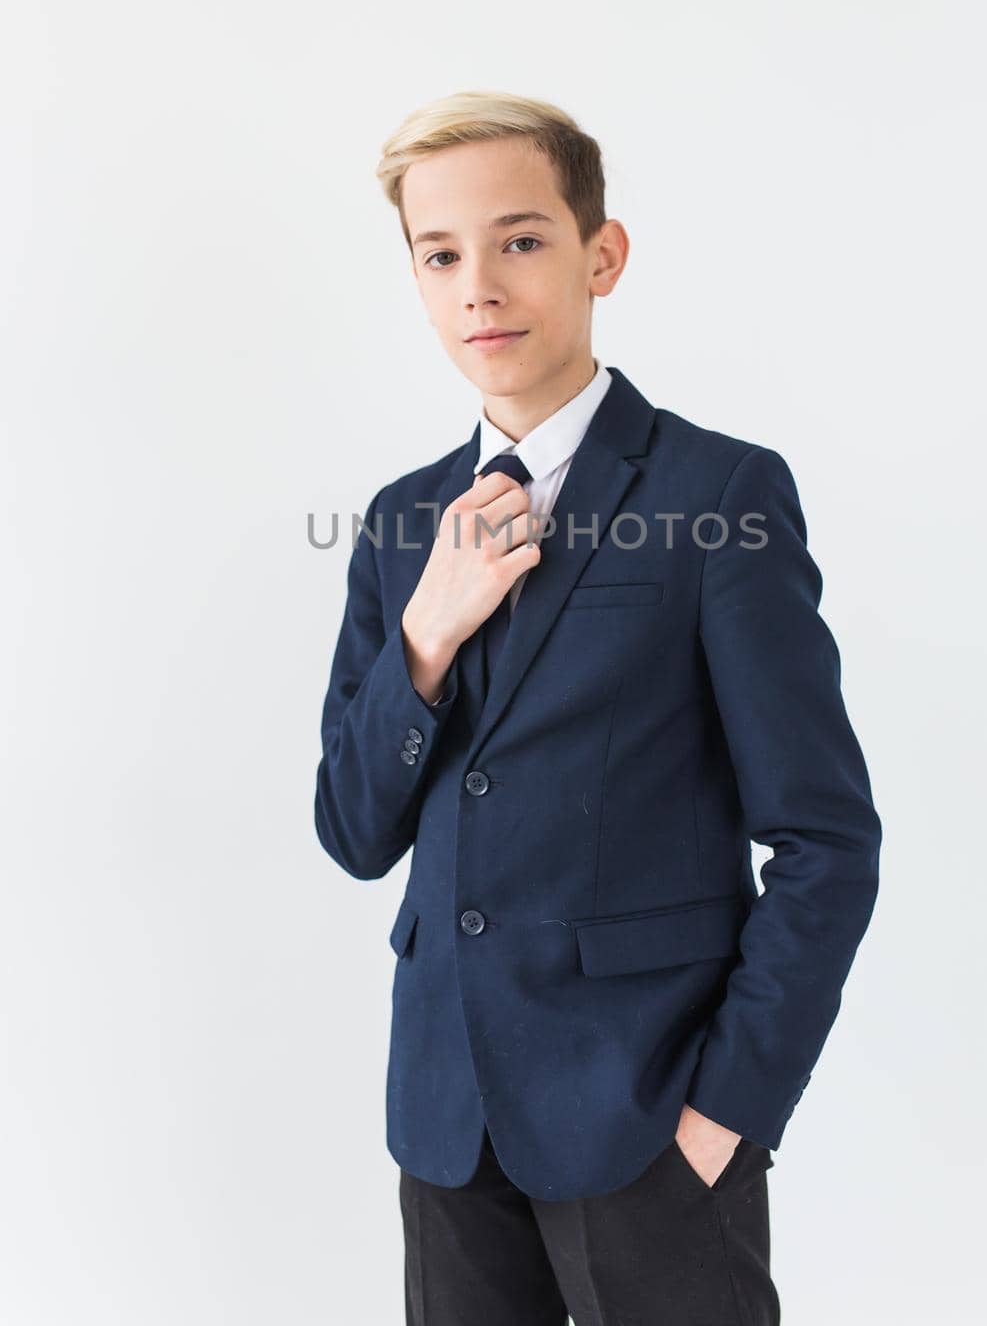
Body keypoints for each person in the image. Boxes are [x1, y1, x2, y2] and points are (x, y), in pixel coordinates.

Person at [314, 90, 882, 1325]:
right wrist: (425, 633)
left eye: (519, 240)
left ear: (599, 254)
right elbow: (354, 832)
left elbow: (827, 841)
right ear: (414, 280)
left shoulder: (717, 493)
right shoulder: (405, 520)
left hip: (648, 1120)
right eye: (441, 255)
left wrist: (724, 1112)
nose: (480, 287)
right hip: (446, 1121)